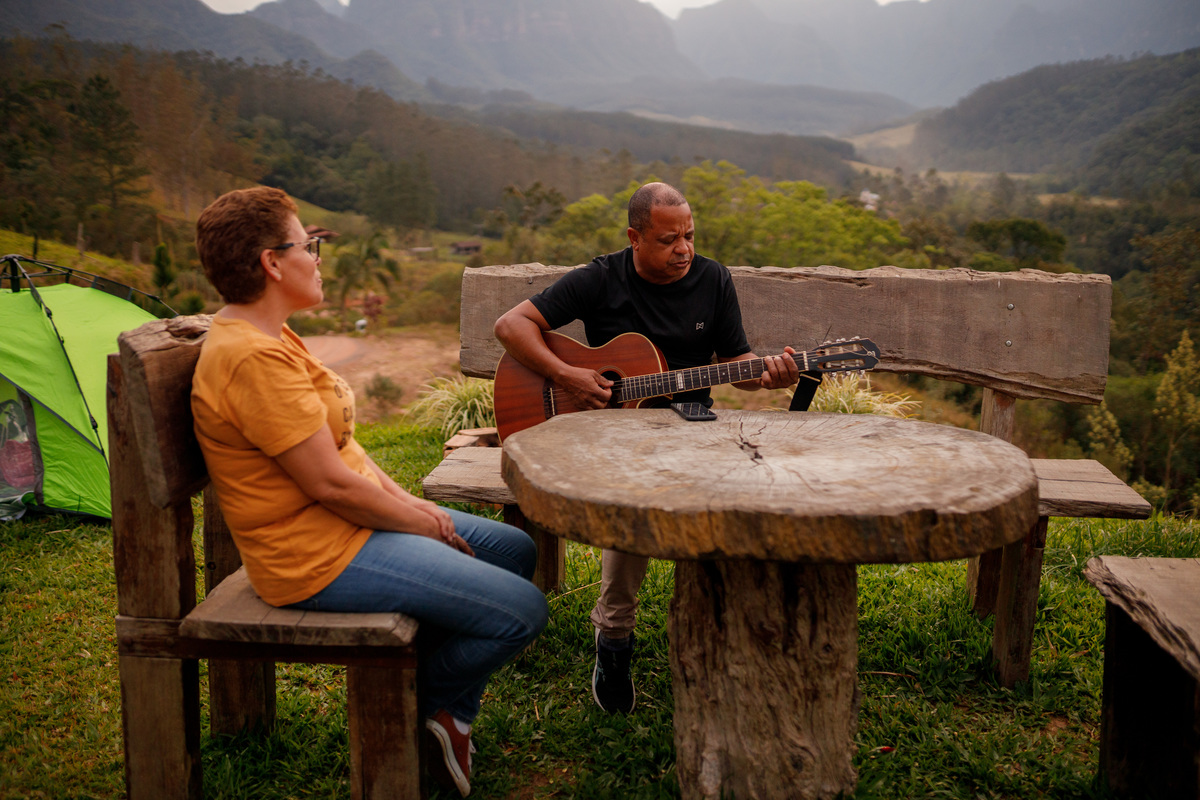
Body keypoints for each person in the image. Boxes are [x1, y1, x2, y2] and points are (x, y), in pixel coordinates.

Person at [191, 187, 547, 797]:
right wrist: (420, 524)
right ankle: (422, 702)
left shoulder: (275, 337)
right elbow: (329, 484)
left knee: (515, 550)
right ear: (272, 263)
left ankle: (445, 716)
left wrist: (414, 505)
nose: (317, 258)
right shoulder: (252, 360)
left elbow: (345, 452)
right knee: (522, 611)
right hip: (313, 555)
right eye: (308, 245)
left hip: (346, 526)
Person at [493, 181, 804, 715]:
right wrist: (566, 374)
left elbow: (739, 364)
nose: (683, 249)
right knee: (636, 491)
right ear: (634, 237)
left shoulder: (713, 278)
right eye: (667, 240)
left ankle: (733, 628)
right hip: (610, 433)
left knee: (749, 490)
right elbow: (510, 324)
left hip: (693, 426)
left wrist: (769, 376)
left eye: (689, 236)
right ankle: (614, 636)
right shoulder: (600, 278)